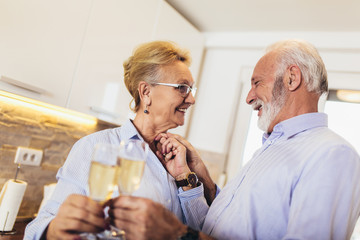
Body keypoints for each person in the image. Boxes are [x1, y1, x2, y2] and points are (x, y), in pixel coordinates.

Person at [106, 39, 360, 240]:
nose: (249, 97)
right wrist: (200, 179)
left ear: (292, 78)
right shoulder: (273, 147)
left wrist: (176, 233)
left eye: (257, 83)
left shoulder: (332, 154)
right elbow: (225, 225)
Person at [24, 40, 205, 239]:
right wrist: (54, 230)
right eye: (181, 87)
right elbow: (38, 228)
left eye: (191, 89)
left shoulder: (180, 157)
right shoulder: (95, 146)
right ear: (146, 92)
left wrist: (184, 178)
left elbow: (200, 231)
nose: (191, 99)